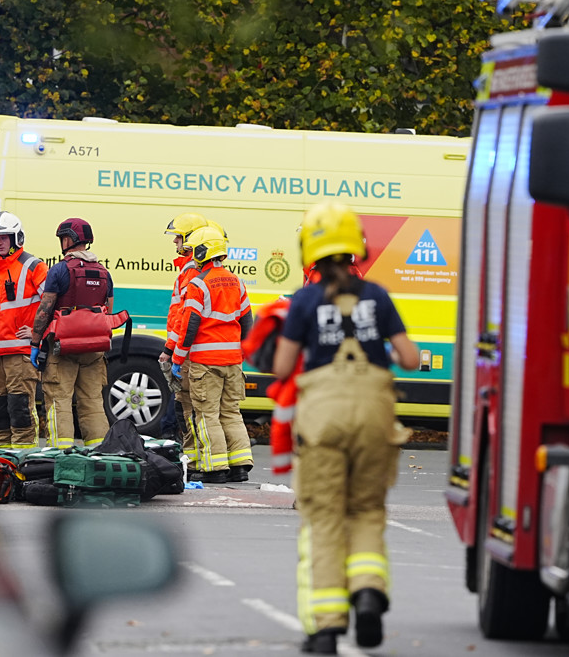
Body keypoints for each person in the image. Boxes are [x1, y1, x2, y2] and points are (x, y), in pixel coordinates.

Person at [271, 202, 419, 653]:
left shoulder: (305, 301)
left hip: (323, 420)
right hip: (375, 416)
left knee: (325, 519)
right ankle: (369, 592)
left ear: (309, 252)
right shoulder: (377, 295)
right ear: (357, 247)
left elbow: (281, 369)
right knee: (367, 512)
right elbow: (410, 359)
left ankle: (328, 628)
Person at [170, 224, 253, 483]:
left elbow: (190, 324)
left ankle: (214, 468)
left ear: (203, 252)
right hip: (233, 360)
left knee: (207, 414)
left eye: (194, 250)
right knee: (231, 412)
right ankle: (240, 464)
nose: (191, 254)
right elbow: (247, 321)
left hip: (206, 361)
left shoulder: (198, 283)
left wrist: (177, 358)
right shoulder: (236, 280)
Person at [30, 217, 115, 449]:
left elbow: (44, 310)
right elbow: (109, 310)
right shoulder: (104, 273)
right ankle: (99, 452)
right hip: (94, 349)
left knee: (59, 400)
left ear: (68, 239)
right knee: (93, 401)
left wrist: (35, 343)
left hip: (62, 347)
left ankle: (61, 453)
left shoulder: (59, 270)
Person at [0, 211, 48, 450]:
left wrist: (36, 332)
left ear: (16, 238)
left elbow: (52, 304)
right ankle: (2, 458)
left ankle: (24, 458)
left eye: (4, 237)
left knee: (20, 409)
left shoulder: (34, 266)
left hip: (20, 352)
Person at [159, 211, 210, 457]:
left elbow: (185, 315)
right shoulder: (190, 268)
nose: (175, 242)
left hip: (185, 348)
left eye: (178, 238)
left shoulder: (191, 271)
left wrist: (172, 348)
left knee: (184, 403)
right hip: (185, 346)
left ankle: (182, 449)